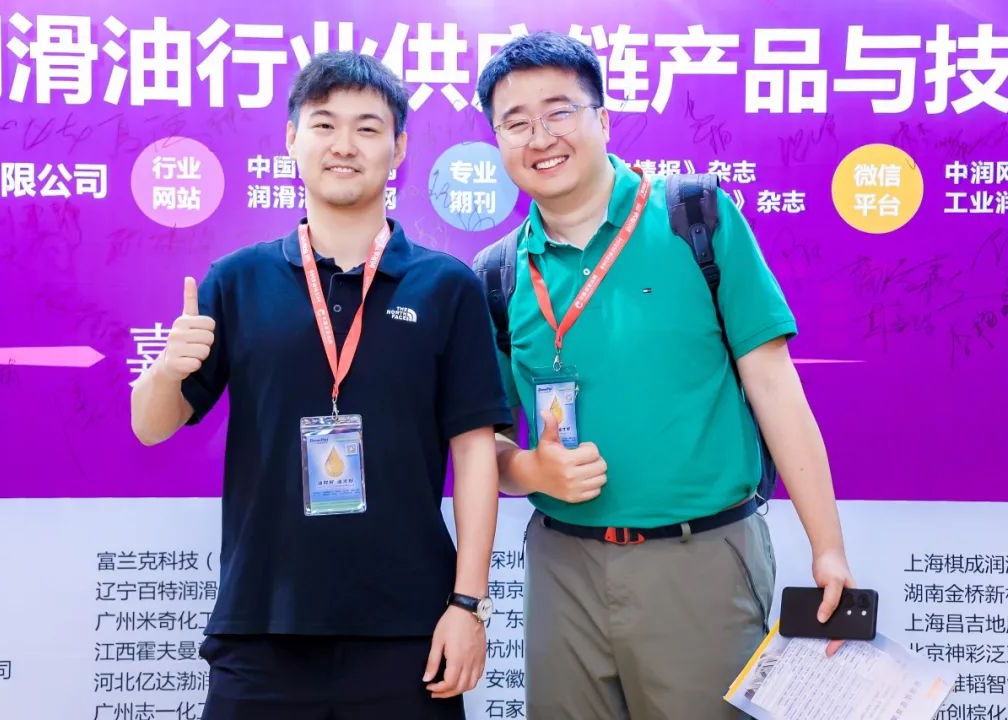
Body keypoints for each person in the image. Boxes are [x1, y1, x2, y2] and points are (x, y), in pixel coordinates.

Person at [473, 31, 856, 719]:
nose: (541, 138)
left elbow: (775, 388)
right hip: (563, 568)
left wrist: (827, 549)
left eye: (559, 112)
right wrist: (530, 470)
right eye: (516, 122)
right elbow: (485, 447)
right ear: (497, 141)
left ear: (602, 118)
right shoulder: (497, 273)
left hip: (699, 558)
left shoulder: (696, 218)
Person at [131, 51, 511, 720]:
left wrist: (467, 604)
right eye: (324, 124)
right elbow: (150, 426)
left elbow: (475, 450)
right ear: (291, 138)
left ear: (399, 149)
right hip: (261, 627)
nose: (344, 145)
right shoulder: (236, 280)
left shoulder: (447, 287)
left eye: (368, 128)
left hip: (410, 630)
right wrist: (165, 371)